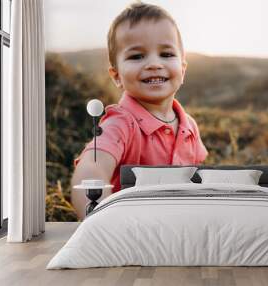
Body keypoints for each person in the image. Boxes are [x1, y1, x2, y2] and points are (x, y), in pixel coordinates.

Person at [71, 2, 208, 219]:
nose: (154, 63)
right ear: (116, 76)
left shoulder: (189, 125)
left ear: (182, 70)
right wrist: (100, 222)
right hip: (131, 231)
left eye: (166, 54)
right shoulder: (120, 124)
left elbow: (198, 175)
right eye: (136, 56)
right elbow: (92, 168)